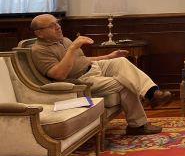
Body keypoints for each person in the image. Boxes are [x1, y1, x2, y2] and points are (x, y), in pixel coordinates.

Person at [30, 14, 172, 135]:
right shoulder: (39, 50)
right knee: (124, 81)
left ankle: (153, 94)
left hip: (93, 67)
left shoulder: (64, 40)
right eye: (52, 26)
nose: (58, 27)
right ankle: (138, 125)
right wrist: (73, 48)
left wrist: (109, 56)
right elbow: (59, 75)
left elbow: (83, 60)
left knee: (121, 61)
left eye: (57, 23)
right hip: (81, 80)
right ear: (39, 33)